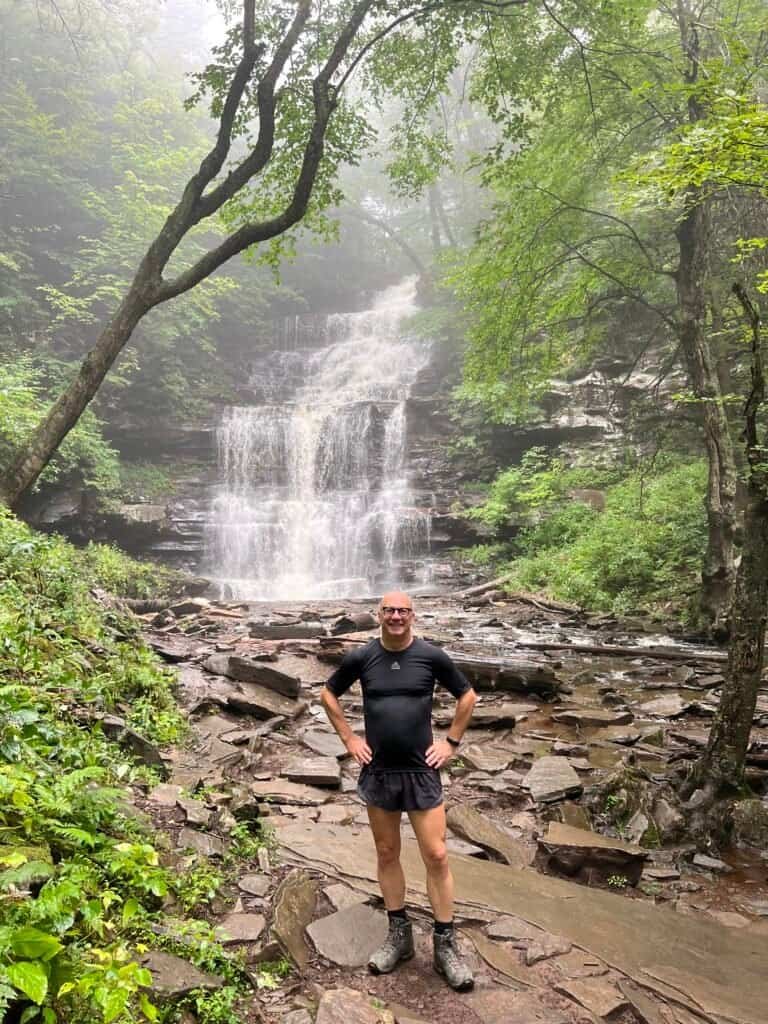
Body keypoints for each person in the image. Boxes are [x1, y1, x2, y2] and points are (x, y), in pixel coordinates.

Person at [319, 591, 477, 991]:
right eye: (389, 610)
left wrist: (451, 743)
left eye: (402, 611)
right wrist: (349, 738)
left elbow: (468, 695)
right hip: (380, 771)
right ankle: (399, 936)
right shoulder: (363, 656)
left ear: (412, 616)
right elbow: (328, 693)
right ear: (378, 615)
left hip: (422, 771)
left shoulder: (431, 655)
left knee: (437, 854)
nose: (395, 617)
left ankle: (445, 945)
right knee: (387, 852)